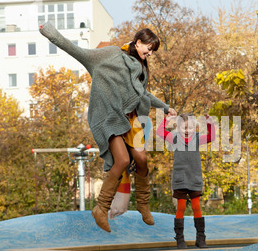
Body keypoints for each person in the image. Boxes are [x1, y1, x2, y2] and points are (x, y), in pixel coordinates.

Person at [39, 22, 176, 232]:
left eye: (152, 51)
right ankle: (101, 209)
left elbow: (143, 95)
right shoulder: (110, 55)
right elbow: (76, 50)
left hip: (132, 120)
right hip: (110, 119)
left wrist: (165, 108)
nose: (150, 53)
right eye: (149, 48)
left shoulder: (141, 69)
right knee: (121, 160)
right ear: (138, 42)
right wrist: (50, 33)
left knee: (141, 158)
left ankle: (143, 204)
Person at [156, 113, 216, 248]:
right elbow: (160, 131)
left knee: (196, 206)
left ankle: (201, 238)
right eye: (184, 128)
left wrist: (210, 124)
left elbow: (211, 137)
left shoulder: (197, 138)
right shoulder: (175, 138)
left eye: (190, 128)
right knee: (181, 206)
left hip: (194, 176)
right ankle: (180, 239)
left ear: (194, 128)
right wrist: (167, 120)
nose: (187, 131)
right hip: (180, 177)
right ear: (178, 127)